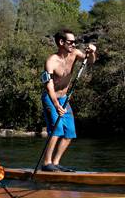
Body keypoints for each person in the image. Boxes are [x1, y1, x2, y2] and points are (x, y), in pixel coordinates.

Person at [40, 29, 96, 172]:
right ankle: (47, 163)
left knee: (70, 133)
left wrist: (92, 52)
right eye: (71, 42)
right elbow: (49, 87)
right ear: (61, 42)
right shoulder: (51, 61)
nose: (73, 44)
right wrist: (56, 105)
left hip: (65, 98)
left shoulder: (75, 53)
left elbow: (89, 61)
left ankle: (56, 163)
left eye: (74, 42)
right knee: (56, 129)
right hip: (51, 98)